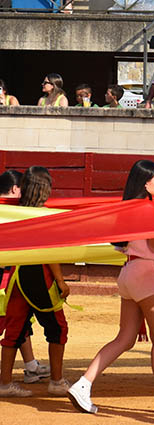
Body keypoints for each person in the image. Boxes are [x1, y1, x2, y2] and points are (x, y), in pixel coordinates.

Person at [67, 162, 154, 415]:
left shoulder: (126, 208)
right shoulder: (151, 209)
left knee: (124, 339)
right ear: (146, 183)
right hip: (146, 274)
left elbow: (132, 247)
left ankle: (83, 384)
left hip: (128, 273)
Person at [0, 167, 70, 397]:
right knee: (57, 328)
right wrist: (61, 282)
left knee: (14, 330)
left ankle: (5, 383)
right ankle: (56, 381)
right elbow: (50, 253)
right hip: (41, 278)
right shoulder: (45, 215)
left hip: (18, 276)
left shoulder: (14, 212)